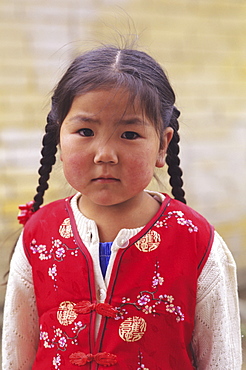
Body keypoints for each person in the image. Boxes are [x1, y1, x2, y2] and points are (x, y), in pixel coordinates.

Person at [2, 46, 242, 370]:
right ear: (58, 139)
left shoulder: (197, 242)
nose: (105, 154)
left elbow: (221, 357)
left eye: (130, 134)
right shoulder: (38, 234)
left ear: (162, 145)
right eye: (85, 131)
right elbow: (16, 352)